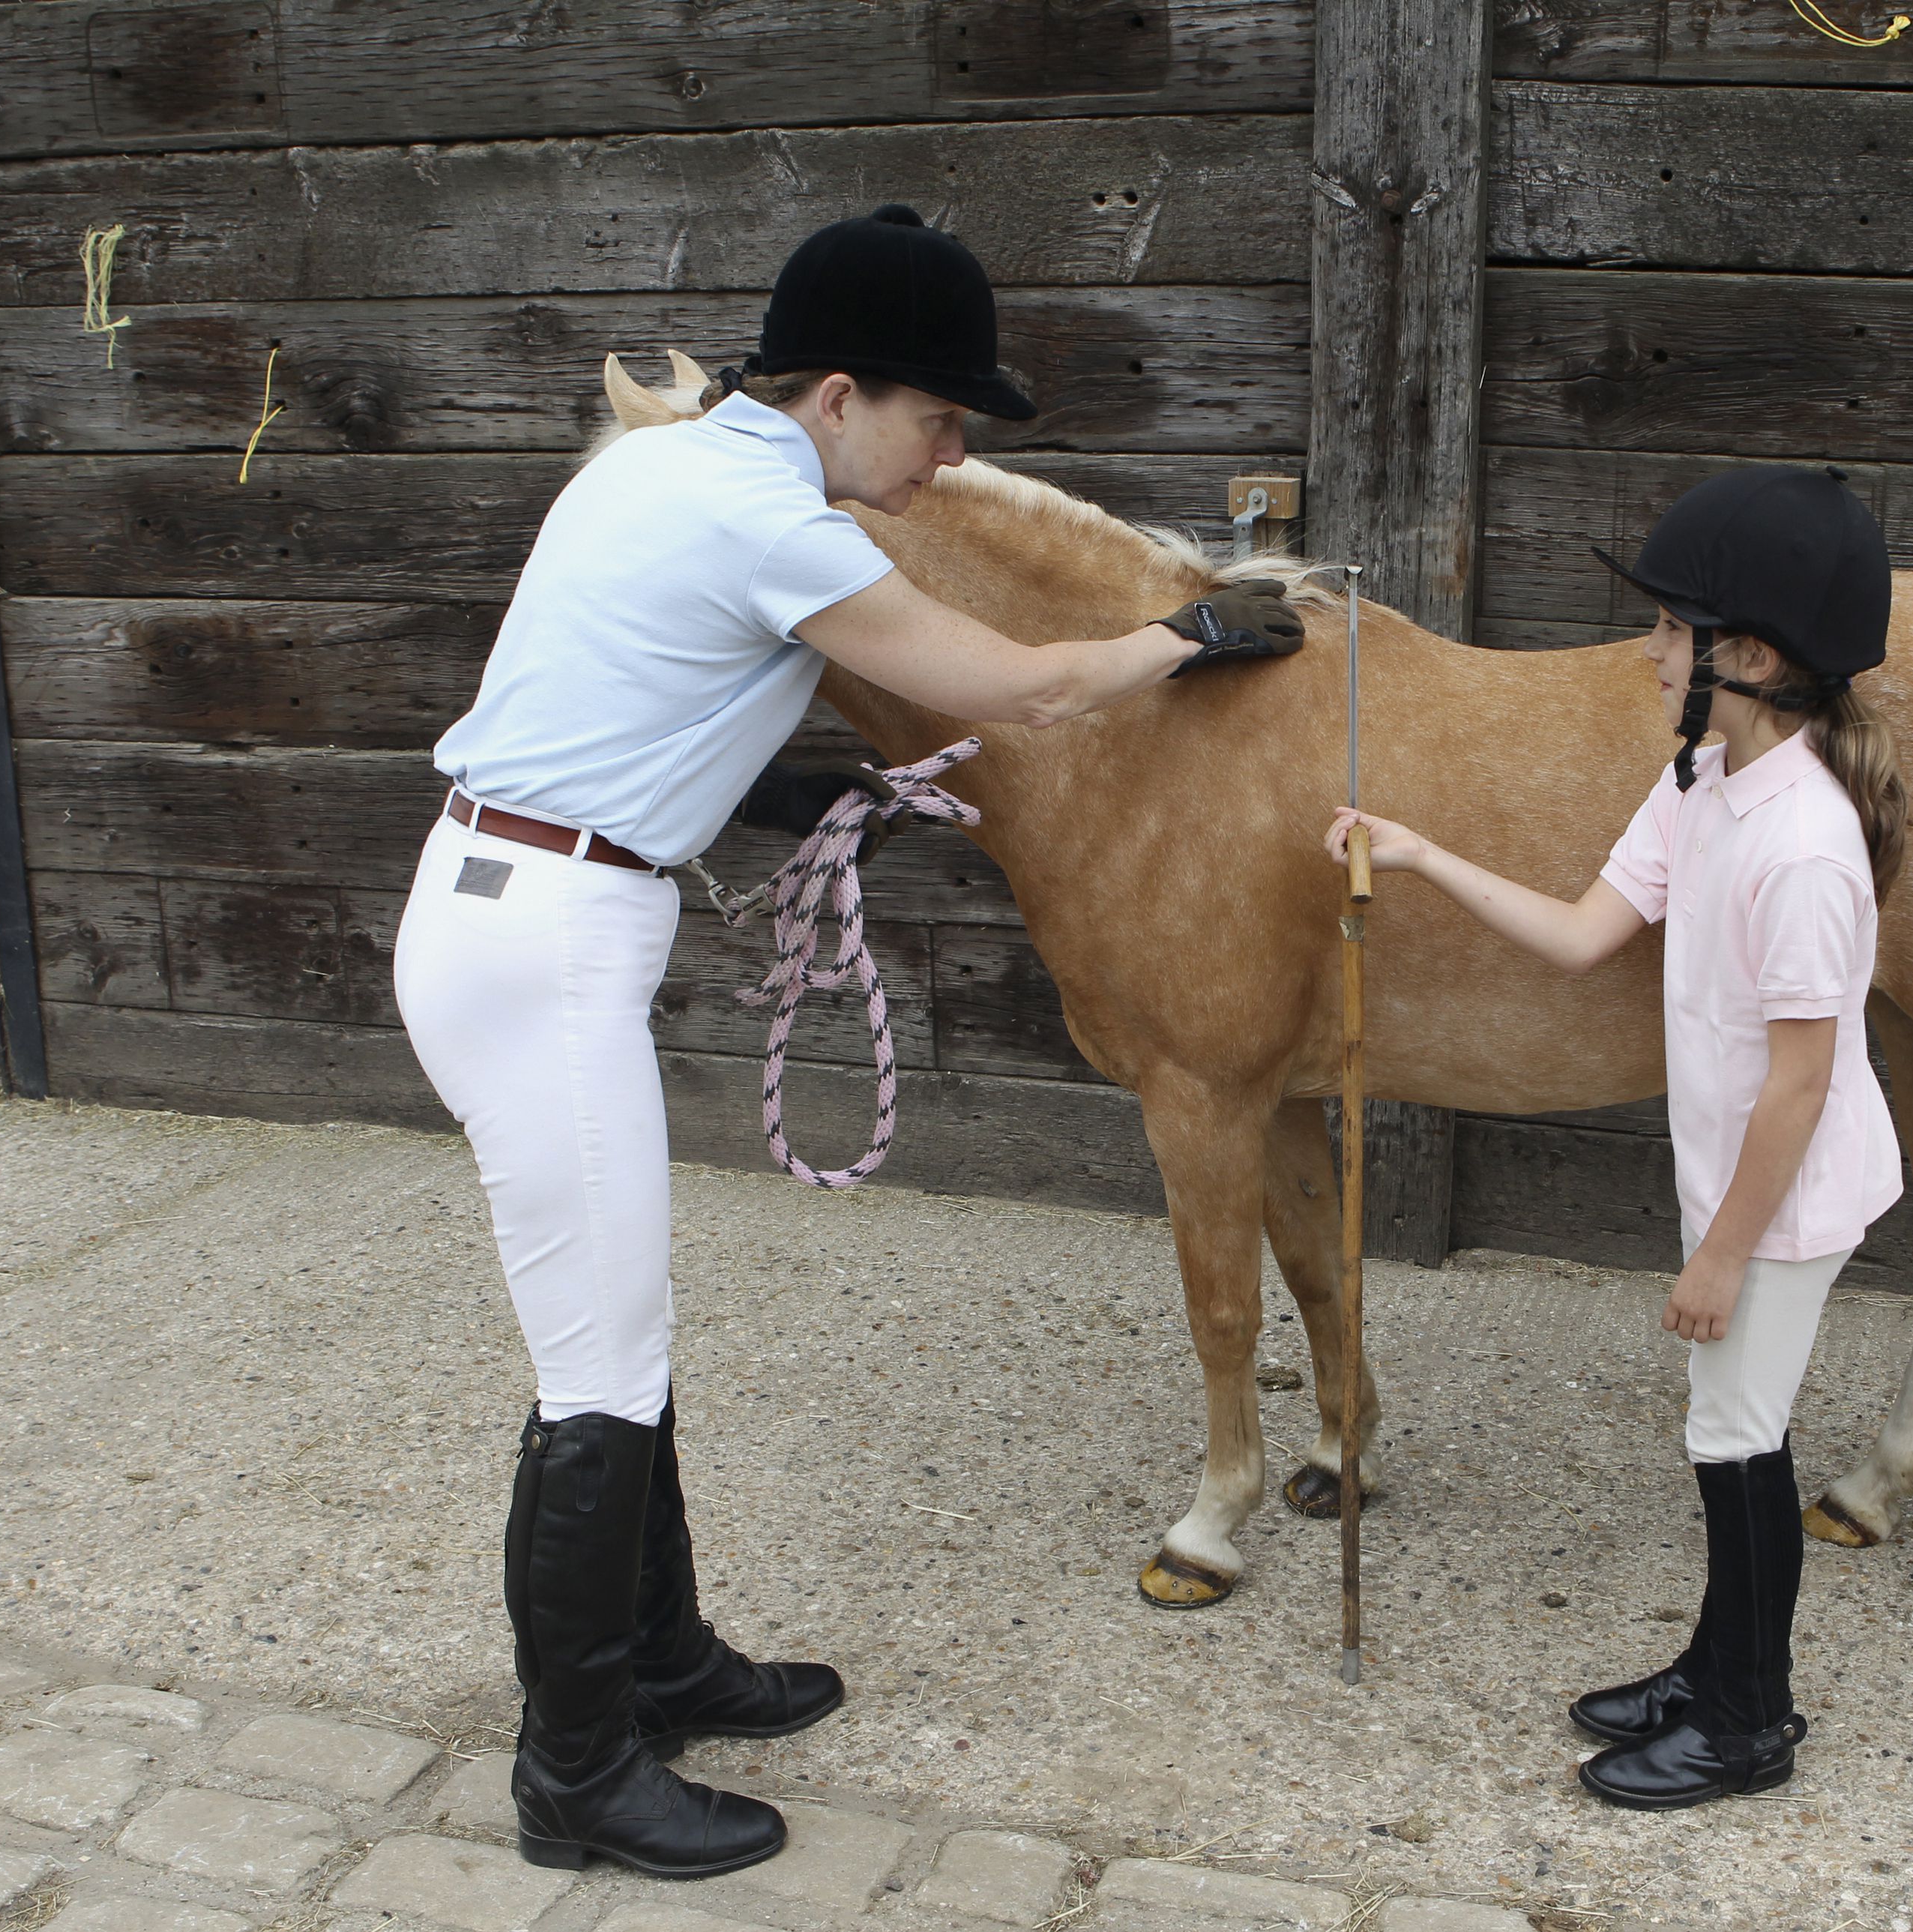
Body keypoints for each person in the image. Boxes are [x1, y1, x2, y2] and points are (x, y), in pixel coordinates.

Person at [392, 205, 1304, 1879]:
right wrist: (1184, 631)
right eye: (938, 417)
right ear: (833, 393)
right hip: (545, 938)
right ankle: (577, 1766)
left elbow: (614, 687)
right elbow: (1018, 688)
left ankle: (660, 1664)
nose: (952, 454)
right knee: (596, 1371)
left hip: (523, 900)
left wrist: (779, 785)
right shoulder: (768, 515)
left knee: (626, 1336)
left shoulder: (655, 474)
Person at [1326, 467, 1906, 1810]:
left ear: (1750, 657)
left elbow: (1803, 1086)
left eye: (1668, 629)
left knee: (1741, 1440)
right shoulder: (1704, 781)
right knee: (1724, 1429)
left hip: (1786, 1197)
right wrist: (1419, 853)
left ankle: (1748, 1722)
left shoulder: (1807, 848)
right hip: (1743, 1185)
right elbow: (1586, 932)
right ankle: (1716, 1669)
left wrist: (1721, 1258)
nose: (1646, 652)